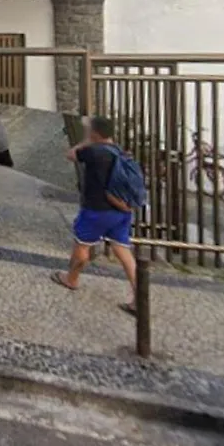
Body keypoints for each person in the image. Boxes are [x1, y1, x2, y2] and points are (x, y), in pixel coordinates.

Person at [51, 115, 138, 316]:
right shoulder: (120, 152)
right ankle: (139, 296)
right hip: (121, 210)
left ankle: (71, 279)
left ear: (95, 133)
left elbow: (71, 154)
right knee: (124, 253)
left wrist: (86, 140)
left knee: (82, 246)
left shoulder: (93, 152)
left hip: (96, 210)